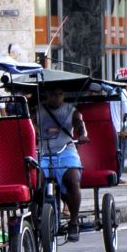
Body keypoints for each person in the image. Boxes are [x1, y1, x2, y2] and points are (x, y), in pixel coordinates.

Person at [32, 82, 88, 242]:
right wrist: (34, 130)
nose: (57, 98)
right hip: (43, 153)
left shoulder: (72, 111)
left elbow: (80, 126)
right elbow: (31, 124)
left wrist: (82, 135)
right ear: (46, 96)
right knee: (36, 181)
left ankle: (73, 221)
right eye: (53, 94)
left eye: (60, 94)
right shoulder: (37, 111)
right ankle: (38, 215)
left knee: (72, 179)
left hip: (66, 151)